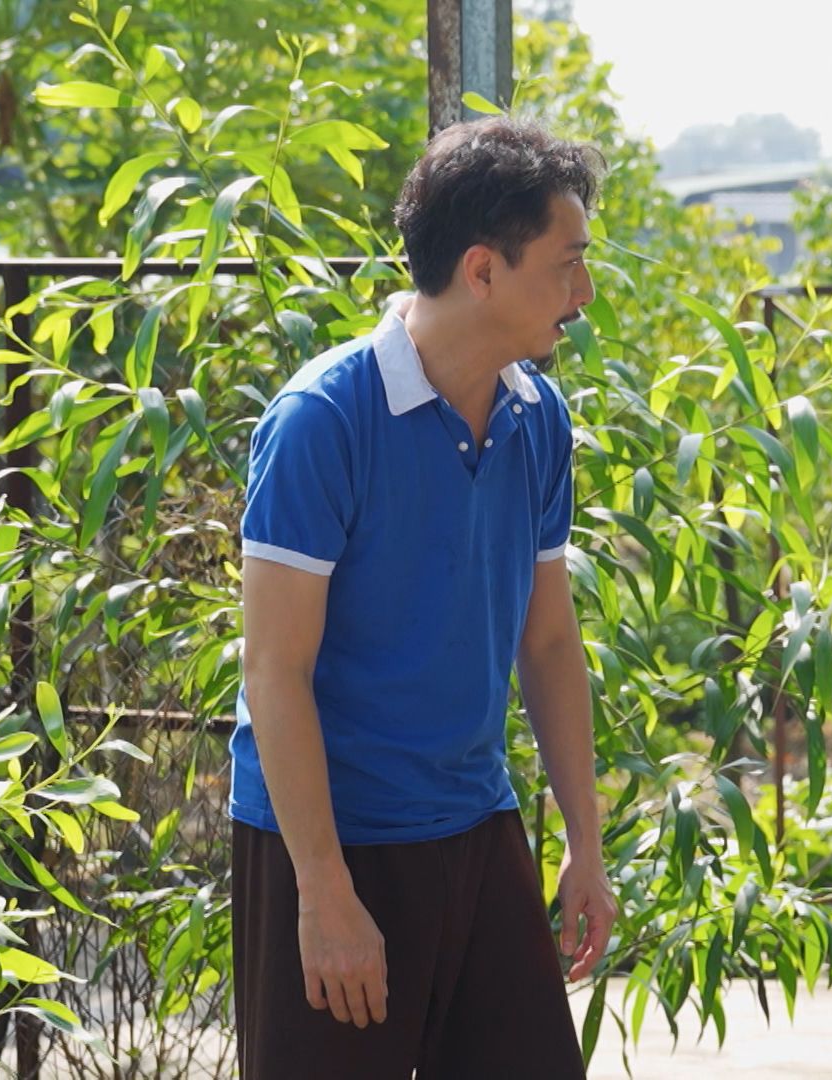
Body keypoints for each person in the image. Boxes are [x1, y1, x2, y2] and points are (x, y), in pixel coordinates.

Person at [230, 115, 615, 1078]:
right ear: (482, 270)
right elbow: (274, 668)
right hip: (327, 839)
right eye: (566, 264)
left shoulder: (539, 417)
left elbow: (551, 642)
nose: (584, 292)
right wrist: (323, 890)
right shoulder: (323, 420)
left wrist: (584, 841)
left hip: (473, 822)